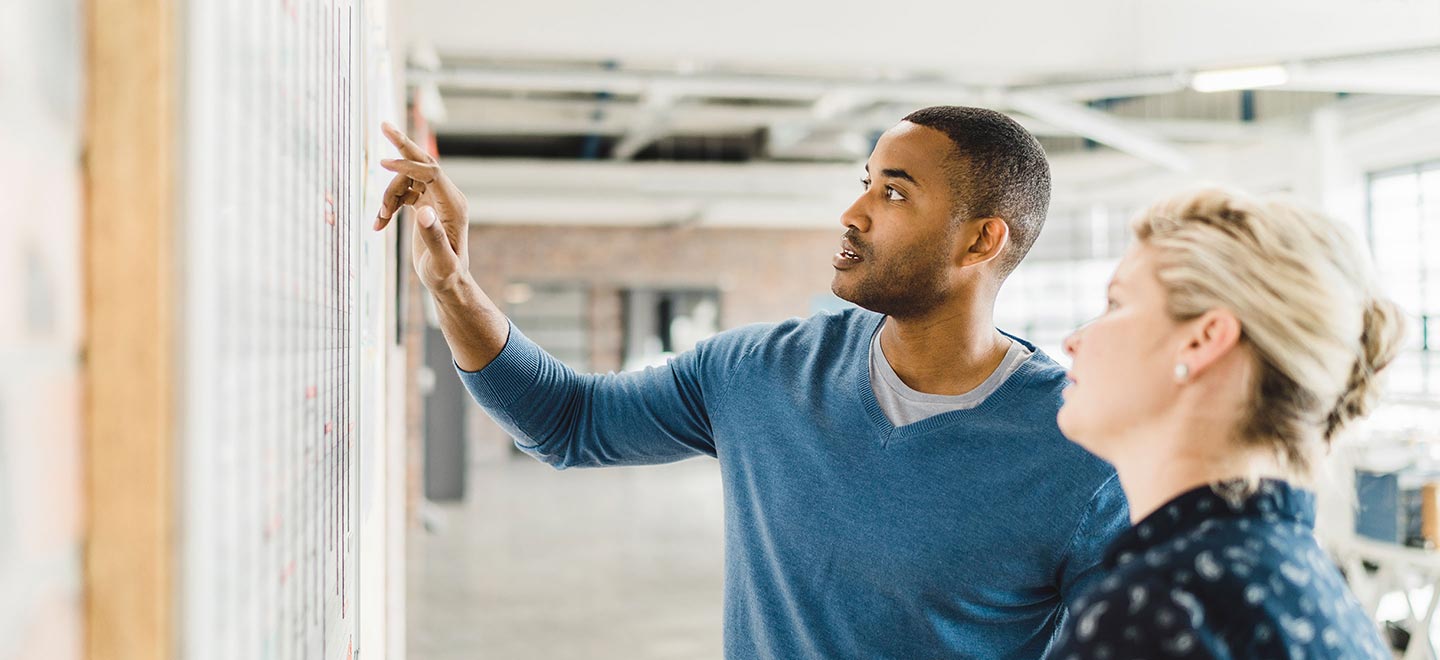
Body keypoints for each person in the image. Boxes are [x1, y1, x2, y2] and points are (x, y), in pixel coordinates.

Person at [374, 106, 1130, 659]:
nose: (854, 210)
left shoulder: (1084, 452)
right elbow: (568, 422)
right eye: (865, 182)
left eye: (894, 193)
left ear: (980, 239)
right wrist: (452, 286)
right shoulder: (757, 372)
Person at [1048, 188, 1399, 658]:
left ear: (1202, 340)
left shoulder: (1158, 611)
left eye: (1115, 303)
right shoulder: (1301, 584)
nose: (1074, 341)